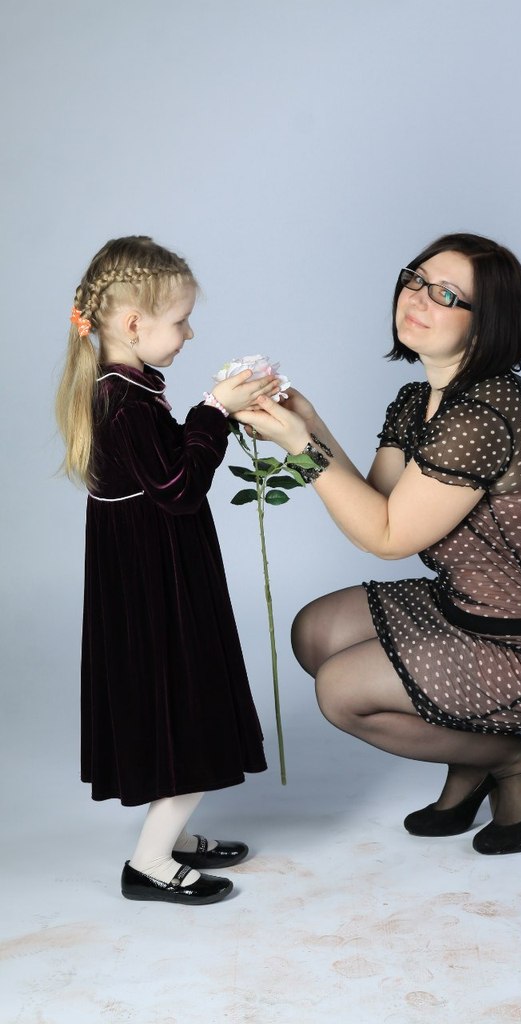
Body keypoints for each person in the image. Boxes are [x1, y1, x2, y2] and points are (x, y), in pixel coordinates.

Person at [235, 232, 521, 856]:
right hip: (469, 610)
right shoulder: (420, 402)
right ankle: (472, 753)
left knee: (341, 692)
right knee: (315, 633)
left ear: (487, 324)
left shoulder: (481, 418)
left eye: (447, 295)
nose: (417, 297)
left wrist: (298, 445)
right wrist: (305, 419)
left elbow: (387, 538)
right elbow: (377, 505)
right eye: (416, 279)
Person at [56, 236, 281, 902]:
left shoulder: (124, 387)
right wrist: (214, 409)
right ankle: (150, 862)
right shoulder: (126, 403)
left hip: (150, 574)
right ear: (134, 325)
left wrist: (214, 415)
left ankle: (173, 836)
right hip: (157, 587)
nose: (189, 333)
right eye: (181, 321)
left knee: (175, 709)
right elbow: (180, 488)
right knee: (189, 712)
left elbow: (164, 471)